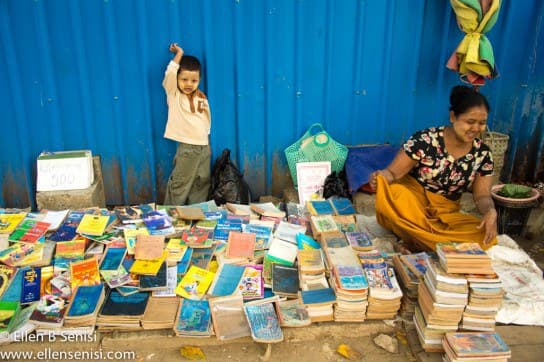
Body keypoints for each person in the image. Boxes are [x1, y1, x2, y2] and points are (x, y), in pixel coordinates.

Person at [369, 85, 498, 251]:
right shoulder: (425, 140)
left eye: (482, 123)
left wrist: (490, 211)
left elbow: (482, 196)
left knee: (484, 235)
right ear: (453, 117)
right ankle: (430, 241)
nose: (476, 128)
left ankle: (418, 239)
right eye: (470, 122)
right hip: (413, 209)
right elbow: (393, 173)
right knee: (396, 195)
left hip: (446, 214)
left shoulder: (483, 154)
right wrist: (380, 177)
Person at [163, 42, 211, 206]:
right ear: (177, 79)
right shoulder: (174, 93)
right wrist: (179, 54)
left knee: (201, 182)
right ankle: (171, 214)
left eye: (194, 80)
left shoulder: (200, 96)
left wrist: (207, 142)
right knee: (180, 183)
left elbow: (205, 120)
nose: (189, 84)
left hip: (203, 146)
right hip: (188, 147)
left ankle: (194, 213)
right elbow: (170, 73)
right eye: (184, 79)